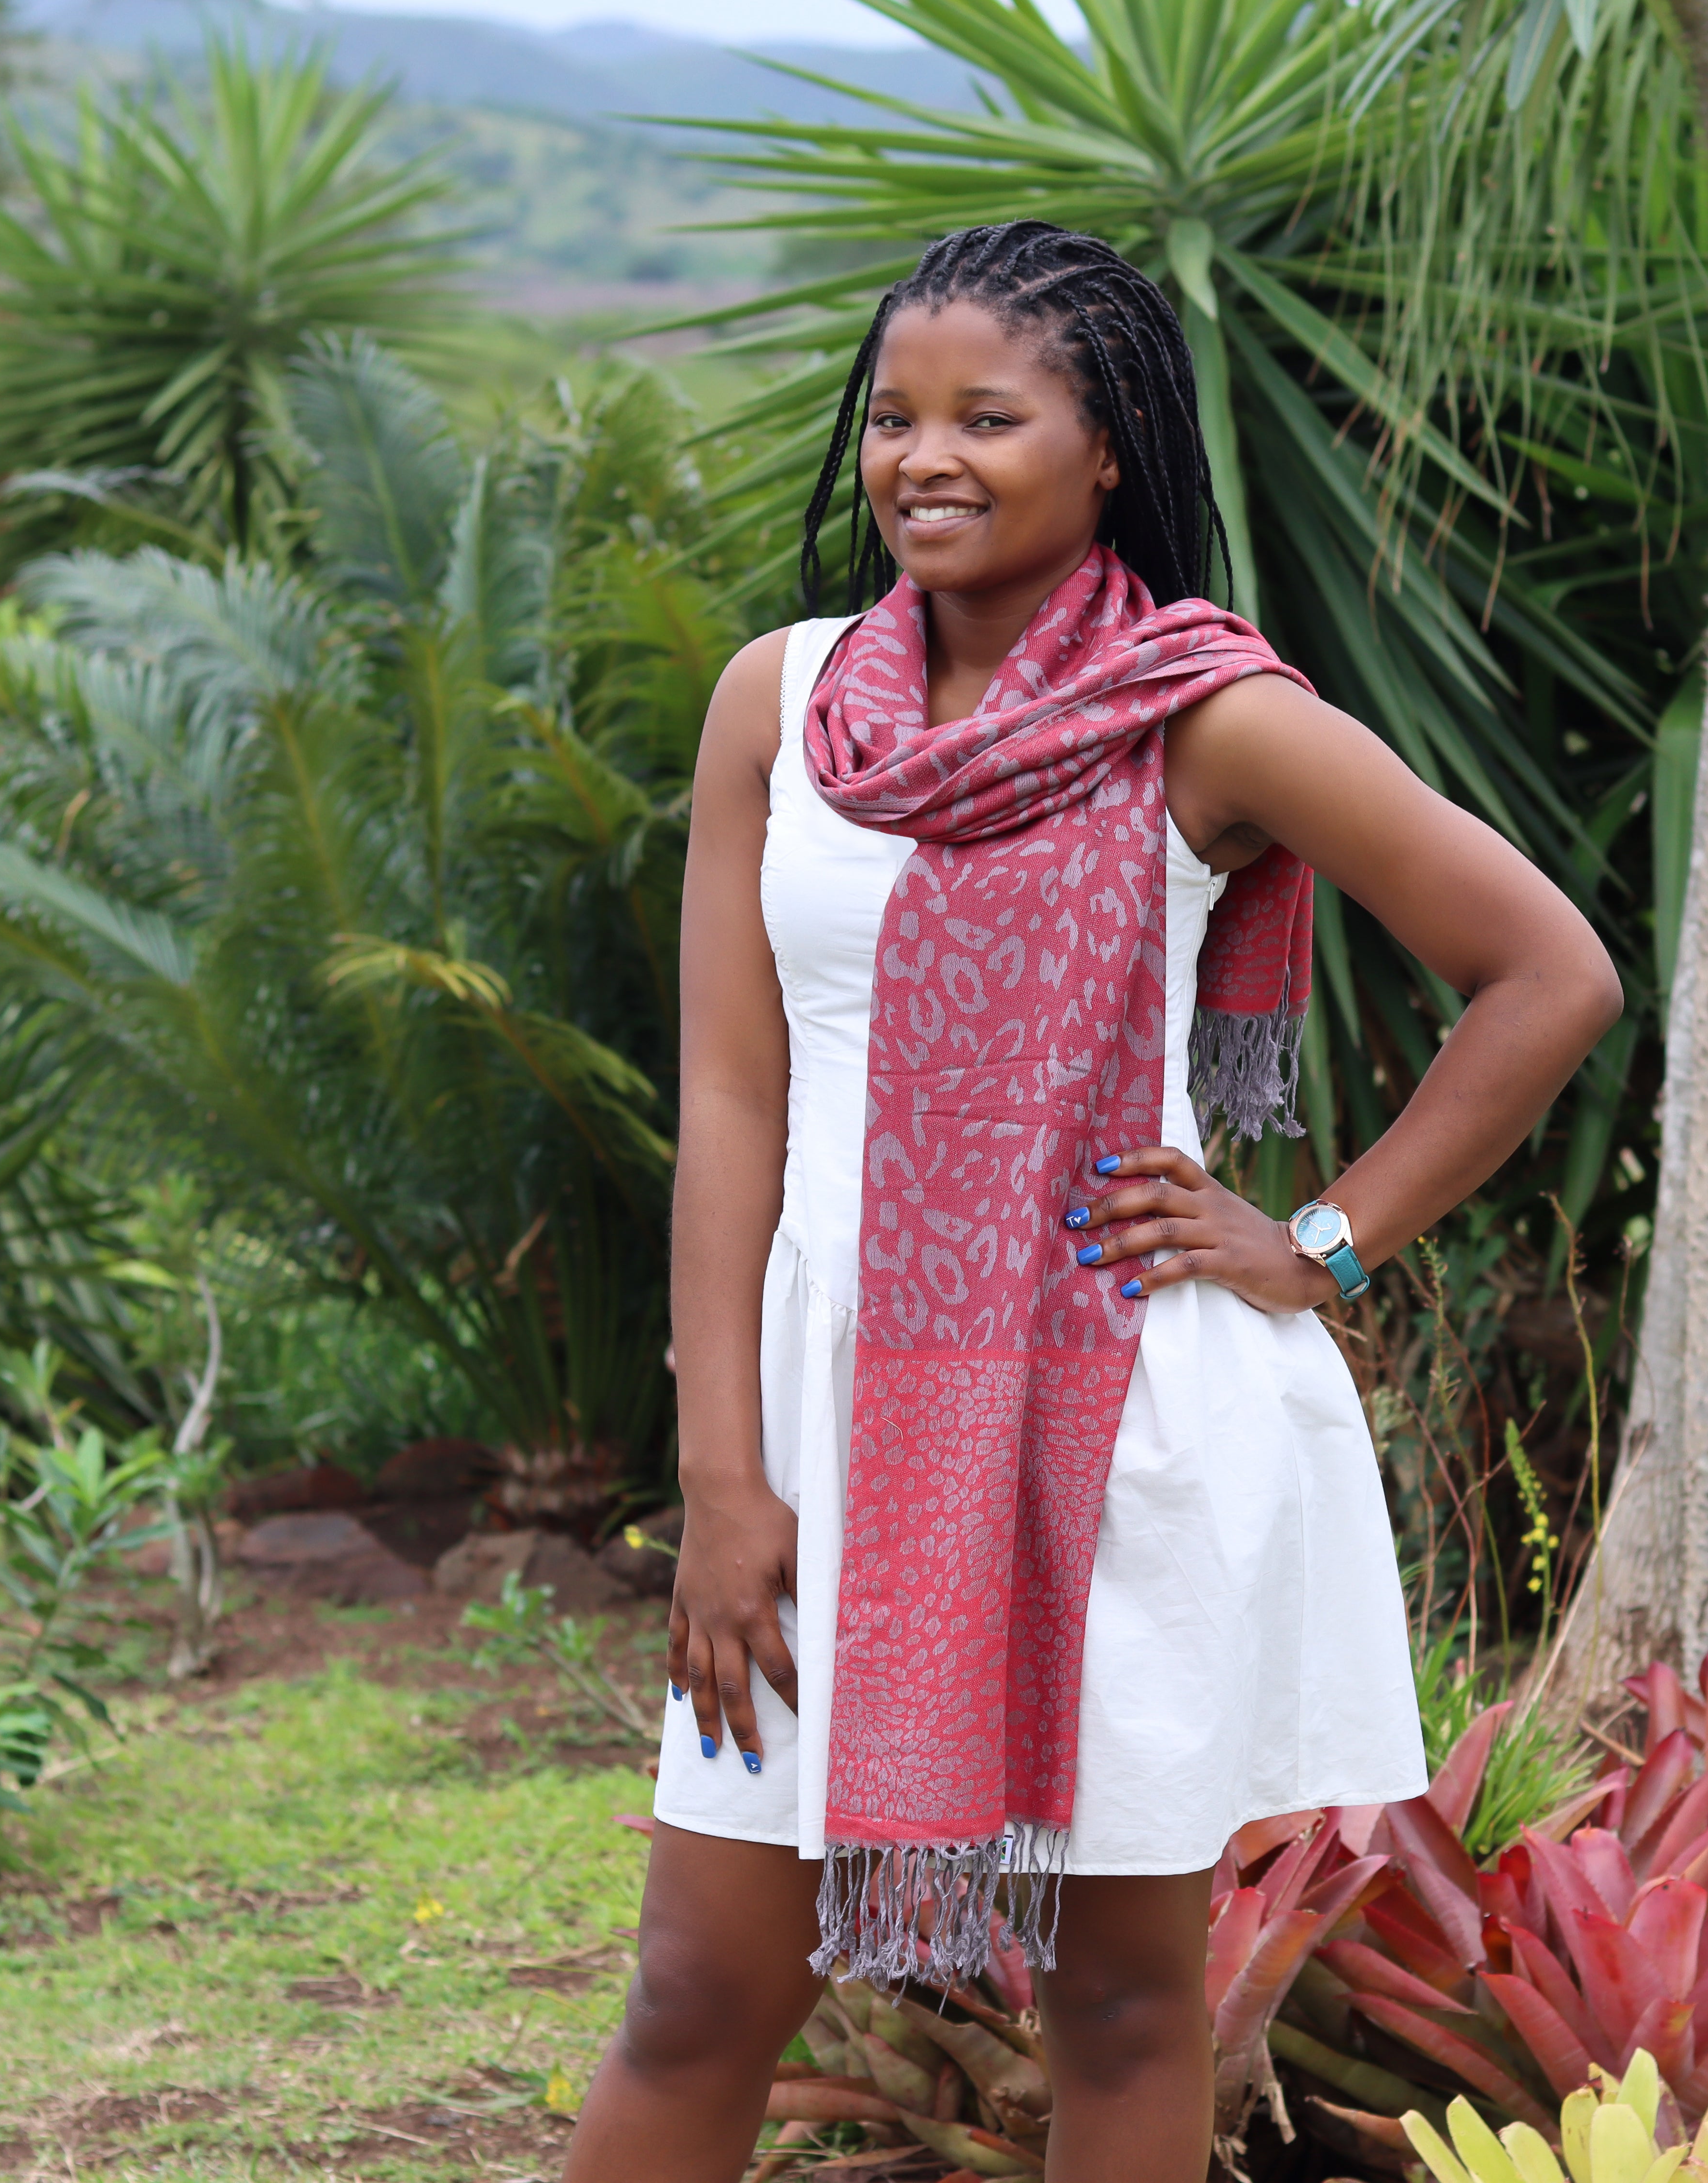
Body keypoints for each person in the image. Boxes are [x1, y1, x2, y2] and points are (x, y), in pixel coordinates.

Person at [563, 221, 1622, 2183]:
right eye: (890, 417)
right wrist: (721, 1471)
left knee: (1124, 2010)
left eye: (987, 413)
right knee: (699, 1988)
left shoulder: (1201, 716)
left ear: (1105, 444)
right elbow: (732, 1092)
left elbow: (1548, 973)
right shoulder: (779, 707)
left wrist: (1312, 1242)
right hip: (819, 1404)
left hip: (1111, 1419)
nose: (921, 457)